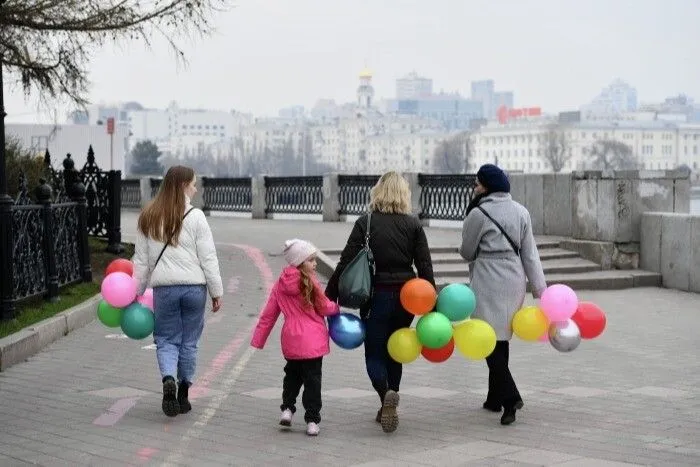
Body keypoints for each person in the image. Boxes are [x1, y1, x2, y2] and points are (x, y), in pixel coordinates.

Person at [325, 171, 434, 434]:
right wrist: (432, 302)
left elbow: (346, 260)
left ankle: (385, 394)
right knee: (396, 350)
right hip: (408, 299)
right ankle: (389, 400)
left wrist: (330, 294)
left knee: (374, 353)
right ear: (404, 195)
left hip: (377, 297)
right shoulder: (413, 225)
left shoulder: (366, 223)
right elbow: (425, 266)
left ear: (378, 192)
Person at [458, 164, 547, 426]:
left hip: (488, 277)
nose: (474, 188)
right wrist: (540, 289)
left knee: (487, 339)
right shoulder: (521, 211)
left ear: (486, 186)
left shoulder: (478, 213)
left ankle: (510, 398)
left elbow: (467, 252)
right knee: (502, 337)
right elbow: (530, 254)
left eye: (477, 183)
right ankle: (493, 398)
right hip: (514, 277)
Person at [133, 166, 223, 418]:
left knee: (166, 339)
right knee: (189, 341)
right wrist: (216, 291)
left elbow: (140, 261)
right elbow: (208, 258)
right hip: (195, 289)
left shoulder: (148, 216)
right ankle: (183, 392)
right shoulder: (196, 217)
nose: (196, 189)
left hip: (165, 290)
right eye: (193, 184)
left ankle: (169, 379)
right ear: (183, 185)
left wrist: (136, 293)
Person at [251, 239, 340, 437]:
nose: (315, 264)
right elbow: (324, 307)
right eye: (311, 260)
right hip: (313, 341)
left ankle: (287, 409)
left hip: (291, 338)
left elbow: (269, 314)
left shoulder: (280, 283)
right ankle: (312, 421)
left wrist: (258, 339)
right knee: (313, 381)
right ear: (300, 263)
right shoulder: (311, 282)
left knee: (292, 375)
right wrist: (337, 308)